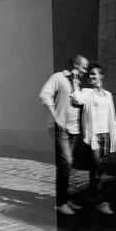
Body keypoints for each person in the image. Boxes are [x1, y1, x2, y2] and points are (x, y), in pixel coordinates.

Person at [39, 54, 89, 215]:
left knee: (67, 164)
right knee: (66, 162)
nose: (85, 70)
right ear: (75, 64)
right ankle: (60, 203)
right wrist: (55, 117)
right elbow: (44, 94)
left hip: (73, 129)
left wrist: (75, 84)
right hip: (60, 127)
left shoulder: (77, 83)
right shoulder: (59, 77)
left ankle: (64, 200)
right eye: (84, 67)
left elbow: (78, 102)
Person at [71, 63, 116, 214]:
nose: (91, 76)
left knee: (98, 170)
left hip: (106, 134)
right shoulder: (86, 92)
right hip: (93, 136)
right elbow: (76, 100)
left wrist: (114, 134)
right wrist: (75, 82)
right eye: (89, 74)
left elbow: (112, 116)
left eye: (94, 74)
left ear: (101, 76)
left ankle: (93, 197)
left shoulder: (108, 94)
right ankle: (101, 202)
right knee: (97, 167)